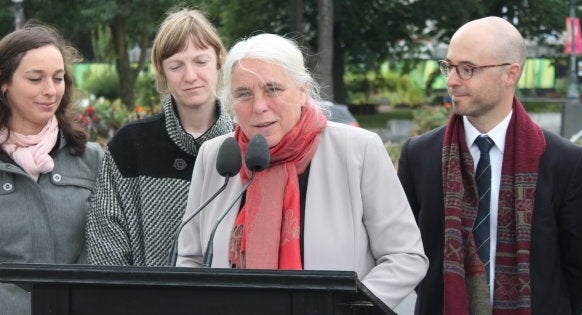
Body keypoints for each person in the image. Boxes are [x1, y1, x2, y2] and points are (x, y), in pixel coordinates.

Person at [176, 33, 428, 310]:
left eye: (273, 89)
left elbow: (405, 256)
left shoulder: (357, 150)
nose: (259, 106)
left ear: (302, 91)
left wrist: (347, 309)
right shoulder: (217, 156)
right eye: (244, 94)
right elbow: (191, 258)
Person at [398, 16, 582, 314]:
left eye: (468, 69)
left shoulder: (566, 162)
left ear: (510, 74)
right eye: (448, 66)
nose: (452, 80)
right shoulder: (420, 155)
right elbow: (407, 250)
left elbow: (579, 269)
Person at [0, 24, 104, 314]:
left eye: (58, 78)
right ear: (1, 81)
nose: (50, 91)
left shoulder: (91, 159)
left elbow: (105, 250)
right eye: (35, 78)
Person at [86, 8, 233, 266]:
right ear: (161, 71)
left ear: (219, 60)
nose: (190, 76)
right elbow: (106, 246)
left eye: (201, 62)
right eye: (176, 66)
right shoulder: (130, 145)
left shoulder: (244, 145)